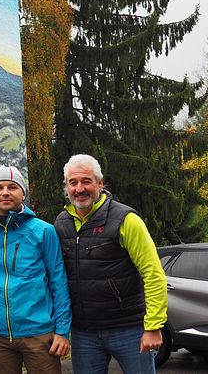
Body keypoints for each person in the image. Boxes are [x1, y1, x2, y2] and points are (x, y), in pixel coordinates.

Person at [54, 154, 168, 374]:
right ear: (66, 186)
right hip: (84, 333)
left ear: (100, 183)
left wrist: (153, 326)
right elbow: (57, 279)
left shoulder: (126, 220)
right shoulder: (61, 223)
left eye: (86, 181)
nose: (79, 189)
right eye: (73, 182)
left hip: (128, 329)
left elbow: (153, 274)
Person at [0, 166, 72, 374]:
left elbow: (58, 281)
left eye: (12, 187)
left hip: (38, 333)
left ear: (23, 193)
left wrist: (62, 331)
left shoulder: (44, 231)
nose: (5, 192)